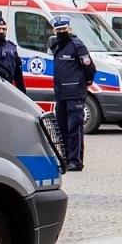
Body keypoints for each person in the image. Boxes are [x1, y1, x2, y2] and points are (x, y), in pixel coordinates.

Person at [49, 15, 94, 171]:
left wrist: (86, 82)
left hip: (75, 92)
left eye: (64, 29)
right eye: (58, 30)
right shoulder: (56, 45)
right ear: (54, 30)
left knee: (74, 126)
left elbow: (90, 67)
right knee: (62, 128)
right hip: (61, 93)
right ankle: (65, 158)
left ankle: (75, 160)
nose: (61, 32)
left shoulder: (77, 45)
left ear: (69, 29)